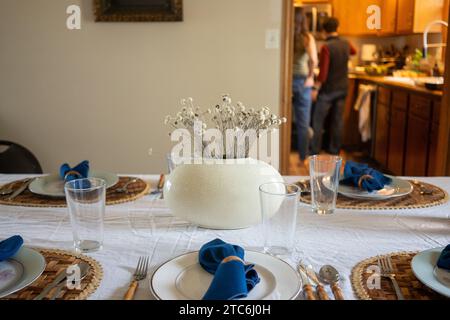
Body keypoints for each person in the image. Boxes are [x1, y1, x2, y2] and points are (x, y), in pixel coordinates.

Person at [311, 17, 356, 156]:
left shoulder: (326, 47)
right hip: (342, 88)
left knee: (318, 120)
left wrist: (315, 89)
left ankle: (314, 150)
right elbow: (354, 52)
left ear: (324, 31)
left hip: (328, 90)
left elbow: (323, 73)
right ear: (337, 29)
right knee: (338, 121)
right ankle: (334, 150)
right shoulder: (346, 43)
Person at [292, 8, 318, 164]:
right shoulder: (307, 37)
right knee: (303, 122)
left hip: (287, 81)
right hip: (302, 81)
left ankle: (281, 153)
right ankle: (303, 157)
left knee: (284, 120)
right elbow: (314, 60)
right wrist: (310, 77)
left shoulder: (287, 35)